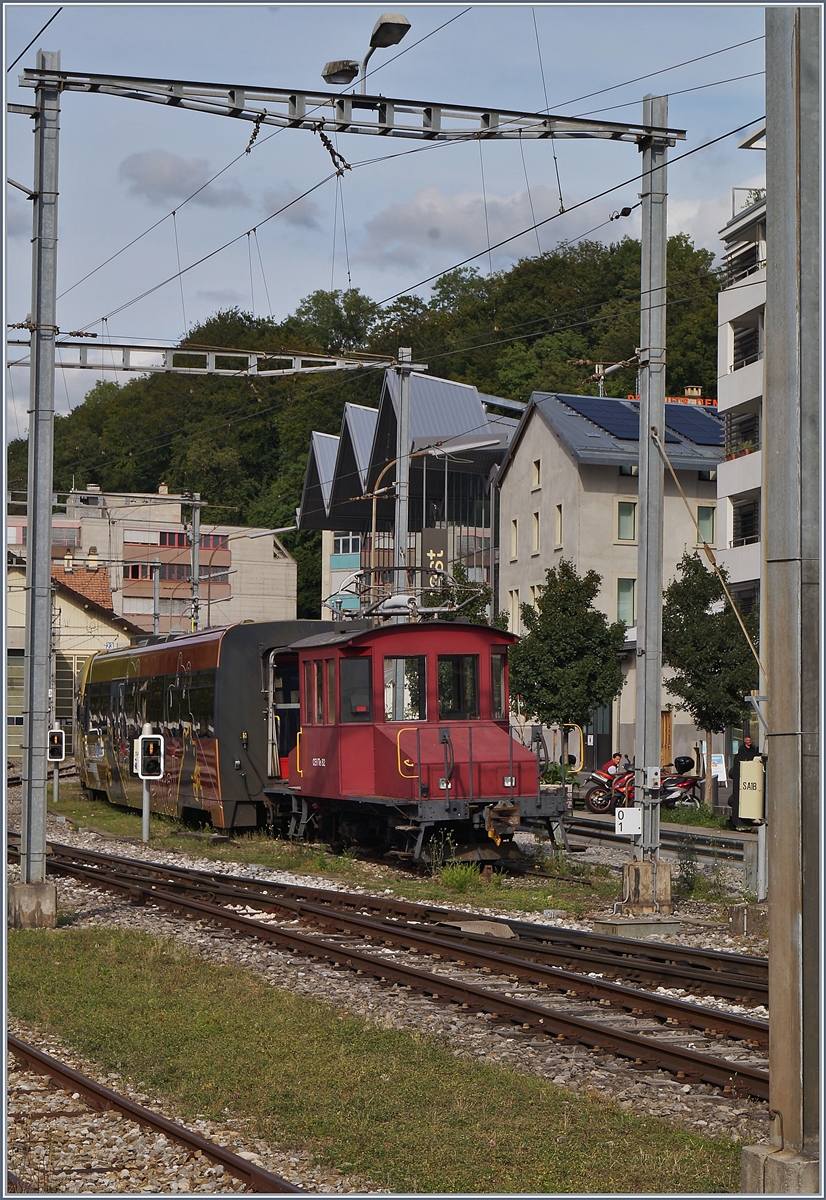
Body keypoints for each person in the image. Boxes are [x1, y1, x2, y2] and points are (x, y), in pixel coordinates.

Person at [728, 735, 761, 830]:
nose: (749, 742)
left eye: (750, 740)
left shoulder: (753, 748)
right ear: (744, 741)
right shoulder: (741, 749)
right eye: (748, 740)